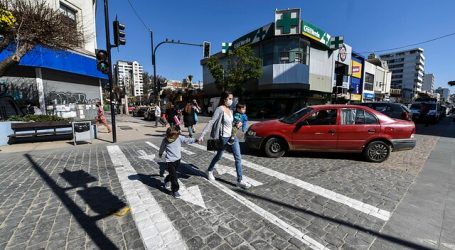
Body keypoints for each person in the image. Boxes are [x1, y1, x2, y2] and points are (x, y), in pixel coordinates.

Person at [198, 91, 251, 189]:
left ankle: (239, 180)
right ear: (224, 99)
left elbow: (232, 124)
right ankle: (209, 170)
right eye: (230, 98)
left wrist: (237, 125)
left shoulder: (231, 111)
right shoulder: (220, 109)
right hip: (223, 138)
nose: (231, 100)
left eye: (232, 99)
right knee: (219, 156)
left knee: (238, 158)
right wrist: (202, 134)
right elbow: (211, 122)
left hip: (232, 136)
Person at [159, 127, 198, 198]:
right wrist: (160, 153)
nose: (172, 139)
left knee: (172, 174)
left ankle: (167, 179)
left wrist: (195, 140)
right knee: (174, 176)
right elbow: (162, 147)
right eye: (170, 137)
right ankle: (175, 190)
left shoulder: (179, 137)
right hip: (170, 161)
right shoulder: (165, 140)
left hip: (177, 160)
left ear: (176, 135)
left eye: (174, 137)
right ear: (168, 135)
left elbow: (187, 140)